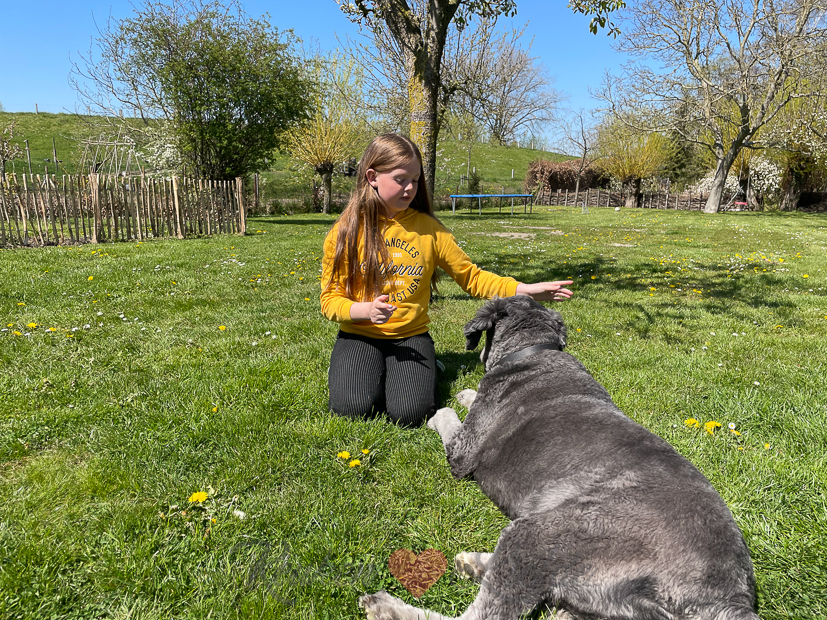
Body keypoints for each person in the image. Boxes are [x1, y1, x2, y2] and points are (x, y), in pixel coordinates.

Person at [320, 134, 573, 427]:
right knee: (352, 408)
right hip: (358, 334)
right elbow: (329, 300)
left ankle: (429, 368)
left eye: (415, 179)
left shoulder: (429, 229)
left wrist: (524, 290)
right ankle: (366, 368)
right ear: (372, 177)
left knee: (409, 415)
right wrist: (364, 311)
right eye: (401, 179)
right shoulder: (346, 232)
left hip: (410, 336)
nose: (411, 188)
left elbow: (472, 277)